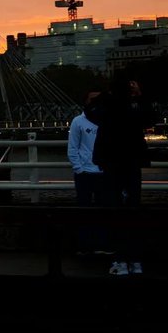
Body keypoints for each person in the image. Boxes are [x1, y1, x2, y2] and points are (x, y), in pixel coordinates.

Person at [91, 77, 153, 276]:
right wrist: (139, 95)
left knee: (114, 210)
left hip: (111, 163)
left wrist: (104, 94)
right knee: (133, 209)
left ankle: (119, 260)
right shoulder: (134, 109)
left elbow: (90, 112)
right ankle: (135, 261)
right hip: (133, 162)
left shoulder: (107, 108)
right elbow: (152, 117)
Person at [66, 90, 110, 257]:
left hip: (103, 172)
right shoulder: (78, 121)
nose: (96, 102)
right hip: (85, 173)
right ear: (85, 101)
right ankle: (84, 246)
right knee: (84, 210)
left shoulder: (106, 120)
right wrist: (79, 169)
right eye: (93, 99)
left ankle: (102, 244)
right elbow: (73, 147)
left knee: (103, 210)